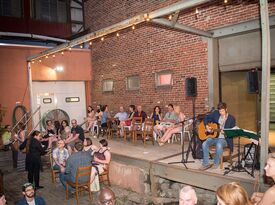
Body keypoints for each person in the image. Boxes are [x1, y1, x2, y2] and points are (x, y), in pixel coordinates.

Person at [200, 102, 236, 170]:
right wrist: (207, 126)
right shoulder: (216, 113)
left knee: (219, 144)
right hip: (214, 137)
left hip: (224, 139)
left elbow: (233, 132)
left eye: (222, 111)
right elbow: (206, 118)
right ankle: (206, 164)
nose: (221, 112)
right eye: (220, 111)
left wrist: (226, 133)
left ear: (226, 109)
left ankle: (216, 163)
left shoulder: (231, 118)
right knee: (204, 143)